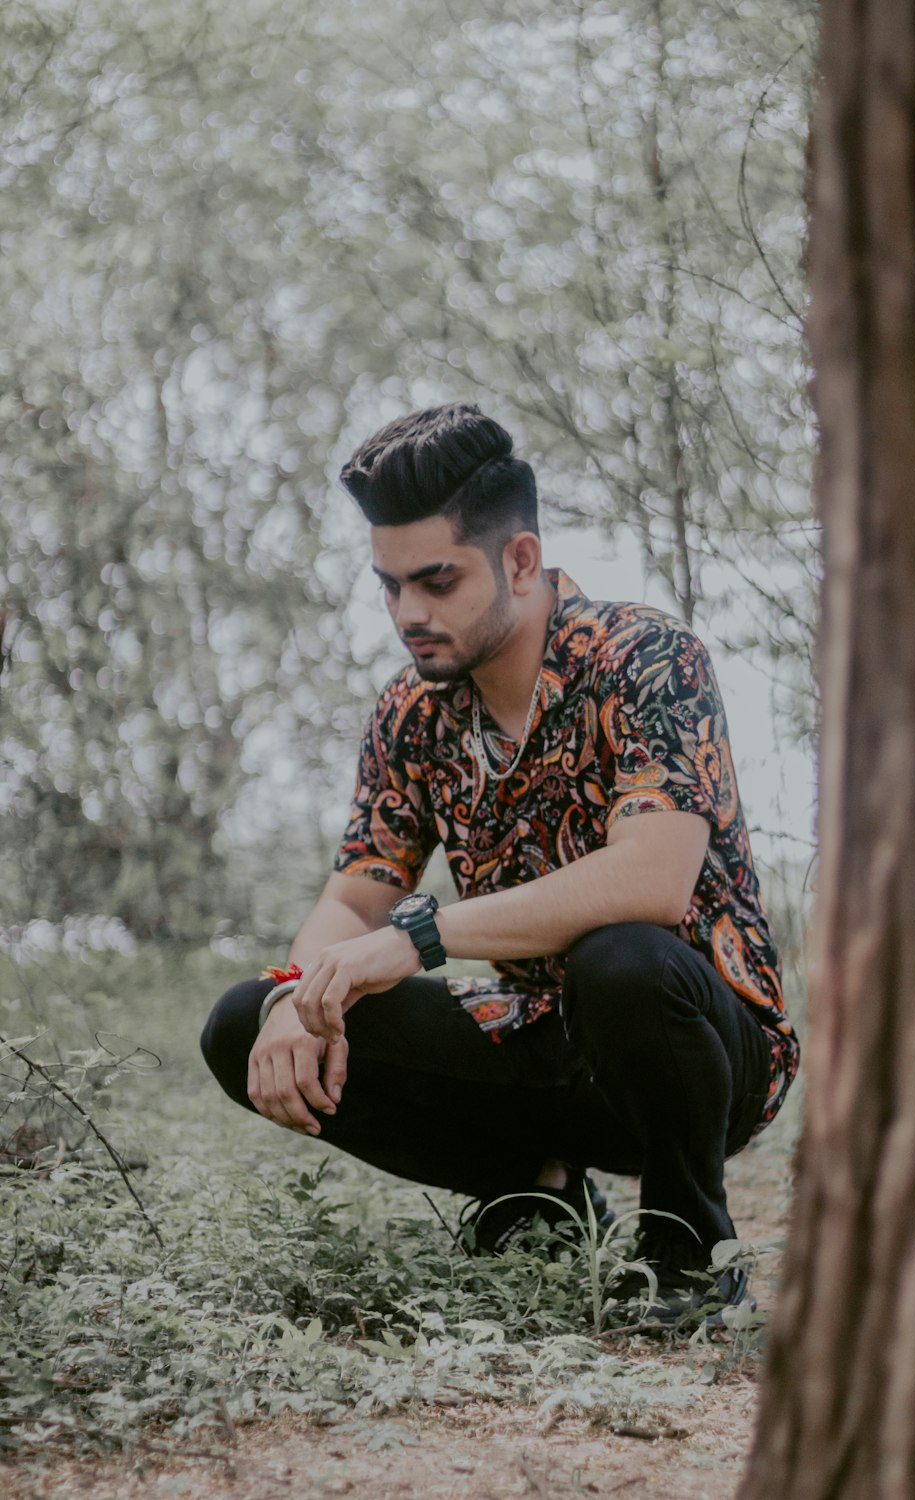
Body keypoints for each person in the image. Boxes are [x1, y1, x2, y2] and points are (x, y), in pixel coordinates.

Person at [201, 402, 799, 1327]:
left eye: (437, 581)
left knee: (623, 957)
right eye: (390, 586)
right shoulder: (413, 713)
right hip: (538, 1037)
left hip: (705, 1046)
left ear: (519, 560)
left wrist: (420, 938)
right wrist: (297, 992)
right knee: (243, 1020)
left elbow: (651, 881)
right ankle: (540, 1193)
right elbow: (353, 896)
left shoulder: (645, 658)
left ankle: (687, 1249)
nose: (408, 613)